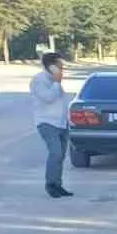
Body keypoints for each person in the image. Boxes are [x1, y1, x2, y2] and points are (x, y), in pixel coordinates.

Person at [29, 51, 72, 198]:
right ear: (51, 67)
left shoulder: (55, 81)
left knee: (60, 156)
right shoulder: (39, 80)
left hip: (61, 123)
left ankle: (58, 184)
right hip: (47, 123)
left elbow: (61, 102)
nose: (62, 69)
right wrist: (56, 82)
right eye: (60, 66)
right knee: (55, 153)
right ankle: (50, 184)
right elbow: (48, 98)